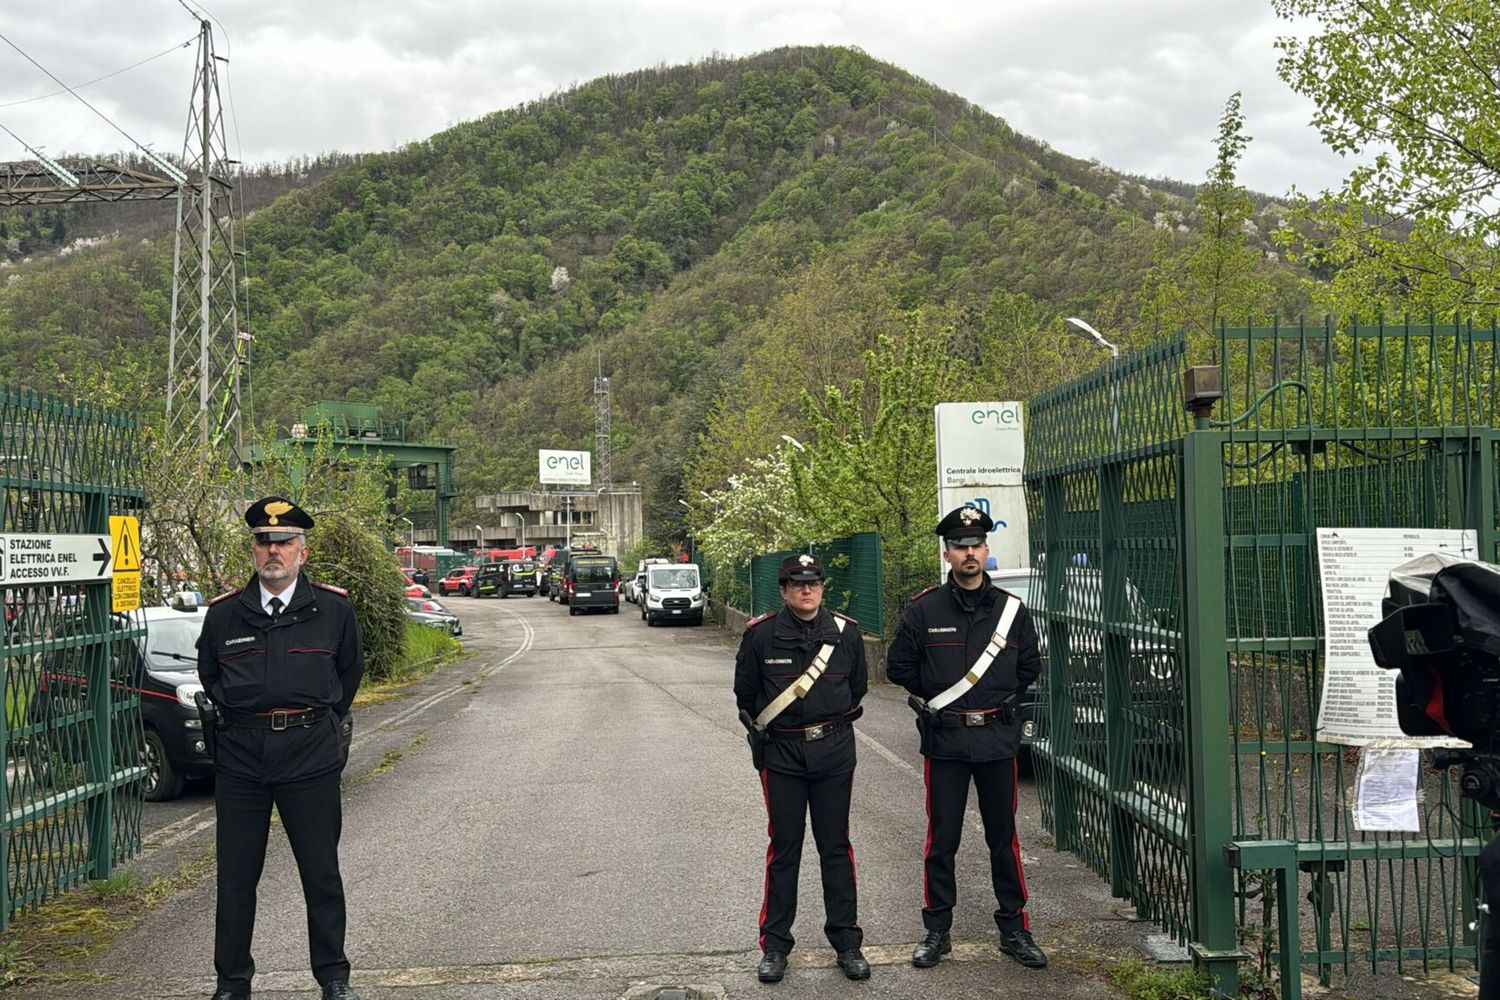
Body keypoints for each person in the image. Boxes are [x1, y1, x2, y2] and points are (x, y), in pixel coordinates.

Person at [196, 496, 366, 1000]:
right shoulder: (225, 614)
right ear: (253, 550)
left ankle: (333, 978)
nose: (273, 550)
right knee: (235, 878)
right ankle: (231, 984)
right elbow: (210, 675)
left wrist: (316, 722)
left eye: (284, 542)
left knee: (321, 873)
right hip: (241, 758)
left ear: (302, 553)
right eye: (263, 541)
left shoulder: (333, 610)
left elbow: (349, 674)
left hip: (309, 755)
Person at [886, 504, 1048, 971]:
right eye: (960, 546)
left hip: (997, 739)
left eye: (976, 545)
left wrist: (996, 702)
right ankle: (937, 931)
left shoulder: (1011, 611)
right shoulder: (924, 610)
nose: (969, 553)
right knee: (942, 841)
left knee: (1004, 839)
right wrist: (939, 695)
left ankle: (1014, 929)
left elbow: (1029, 667)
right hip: (947, 743)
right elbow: (899, 667)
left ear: (986, 549)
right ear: (947, 553)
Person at [733, 553, 871, 984]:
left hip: (833, 752)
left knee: (836, 847)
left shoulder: (846, 633)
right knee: (785, 848)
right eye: (798, 584)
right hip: (783, 755)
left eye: (814, 583)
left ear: (823, 587)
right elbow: (745, 695)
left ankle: (847, 943)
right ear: (784, 590)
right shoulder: (761, 635)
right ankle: (775, 946)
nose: (807, 590)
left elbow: (857, 689)